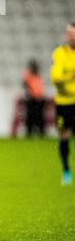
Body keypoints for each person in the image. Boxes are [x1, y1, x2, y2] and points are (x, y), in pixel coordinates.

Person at [51, 22, 75, 186]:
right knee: (64, 136)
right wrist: (71, 76)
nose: (70, 37)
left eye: (73, 34)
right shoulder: (60, 53)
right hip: (64, 103)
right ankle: (66, 171)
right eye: (69, 33)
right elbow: (56, 78)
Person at [23, 59, 46, 137]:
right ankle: (29, 132)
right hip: (31, 99)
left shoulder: (38, 75)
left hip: (39, 98)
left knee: (39, 116)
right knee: (31, 116)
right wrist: (31, 93)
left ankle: (41, 132)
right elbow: (25, 85)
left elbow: (40, 87)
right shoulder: (28, 75)